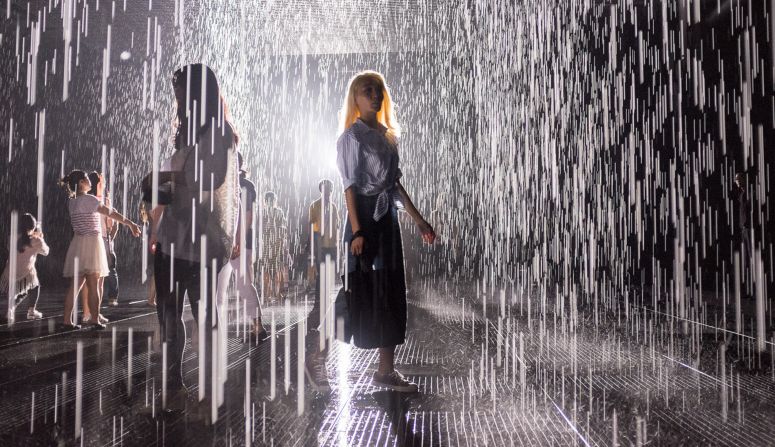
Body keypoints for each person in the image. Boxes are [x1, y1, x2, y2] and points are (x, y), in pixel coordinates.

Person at [323, 70, 436, 392]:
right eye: (367, 91)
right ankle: (316, 354)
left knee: (390, 291)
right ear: (355, 99)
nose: (375, 95)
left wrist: (419, 221)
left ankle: (386, 370)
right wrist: (357, 232)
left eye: (378, 91)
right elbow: (348, 187)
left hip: (386, 221)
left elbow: (394, 186)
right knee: (356, 293)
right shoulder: (351, 138)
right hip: (364, 222)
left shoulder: (386, 136)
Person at [141, 64, 239, 394]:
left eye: (181, 90)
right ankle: (173, 384)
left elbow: (210, 178)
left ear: (197, 93)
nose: (176, 97)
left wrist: (161, 179)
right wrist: (157, 191)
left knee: (203, 316)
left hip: (201, 242)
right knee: (169, 318)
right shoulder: (186, 132)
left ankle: (211, 387)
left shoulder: (219, 132)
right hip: (173, 237)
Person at [60, 170, 140, 330]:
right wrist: (131, 223)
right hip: (92, 243)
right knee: (93, 284)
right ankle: (94, 319)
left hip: (77, 244)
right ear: (82, 183)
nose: (90, 182)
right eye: (88, 179)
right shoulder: (89, 199)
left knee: (74, 286)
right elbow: (111, 213)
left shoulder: (72, 202)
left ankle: (67, 321)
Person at [216, 154, 267, 339]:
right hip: (222, 243)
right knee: (218, 288)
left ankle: (257, 326)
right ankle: (217, 328)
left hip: (238, 243)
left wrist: (238, 240)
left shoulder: (245, 185)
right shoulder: (221, 183)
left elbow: (247, 215)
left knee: (243, 284)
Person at [79, 172, 119, 324]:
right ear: (98, 184)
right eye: (102, 182)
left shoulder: (87, 200)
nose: (104, 184)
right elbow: (110, 225)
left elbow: (110, 225)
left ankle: (91, 313)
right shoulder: (95, 201)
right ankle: (92, 313)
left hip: (91, 239)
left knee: (93, 280)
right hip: (98, 240)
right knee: (95, 280)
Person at [1, 213, 49, 322]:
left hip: (10, 272)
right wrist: (41, 238)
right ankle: (31, 311)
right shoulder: (36, 241)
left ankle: (10, 309)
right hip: (26, 272)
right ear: (33, 227)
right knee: (35, 286)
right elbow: (46, 252)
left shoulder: (11, 238)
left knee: (17, 291)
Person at [307, 179, 339, 296]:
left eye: (329, 189)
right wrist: (312, 243)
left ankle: (325, 294)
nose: (327, 192)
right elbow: (311, 225)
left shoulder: (333, 207)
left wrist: (337, 242)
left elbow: (337, 225)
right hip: (319, 242)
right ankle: (319, 295)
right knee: (321, 269)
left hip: (331, 243)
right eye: (325, 189)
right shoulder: (315, 205)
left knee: (329, 269)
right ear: (321, 190)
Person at [260, 191, 288, 300]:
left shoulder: (263, 212)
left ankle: (268, 294)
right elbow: (283, 230)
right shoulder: (279, 212)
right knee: (277, 268)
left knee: (267, 269)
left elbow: (260, 229)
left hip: (267, 244)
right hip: (276, 244)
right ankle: (278, 293)